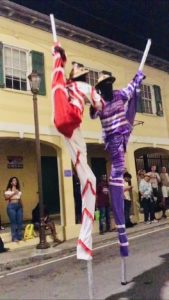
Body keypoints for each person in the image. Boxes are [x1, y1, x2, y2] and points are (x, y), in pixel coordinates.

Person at [51, 43, 103, 260]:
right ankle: (84, 243)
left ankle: (84, 242)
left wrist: (58, 56)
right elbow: (100, 105)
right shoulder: (85, 88)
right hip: (72, 125)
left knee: (87, 177)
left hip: (60, 124)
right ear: (83, 76)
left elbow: (57, 71)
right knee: (89, 180)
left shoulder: (64, 83)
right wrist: (94, 107)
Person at [90, 69, 145, 256]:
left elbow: (131, 88)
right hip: (113, 139)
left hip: (124, 133)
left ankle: (117, 188)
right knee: (118, 169)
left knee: (132, 108)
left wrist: (137, 77)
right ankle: (121, 229)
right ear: (100, 88)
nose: (108, 87)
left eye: (109, 84)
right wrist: (93, 103)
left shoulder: (119, 94)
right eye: (104, 86)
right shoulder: (101, 102)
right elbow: (92, 113)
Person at [4, 177, 23, 241]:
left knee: (19, 222)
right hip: (11, 206)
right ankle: (14, 237)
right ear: (11, 182)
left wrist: (21, 206)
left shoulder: (18, 189)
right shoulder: (8, 189)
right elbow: (6, 198)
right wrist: (14, 193)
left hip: (18, 206)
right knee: (13, 222)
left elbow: (19, 199)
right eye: (14, 180)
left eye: (16, 180)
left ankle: (19, 236)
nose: (15, 181)